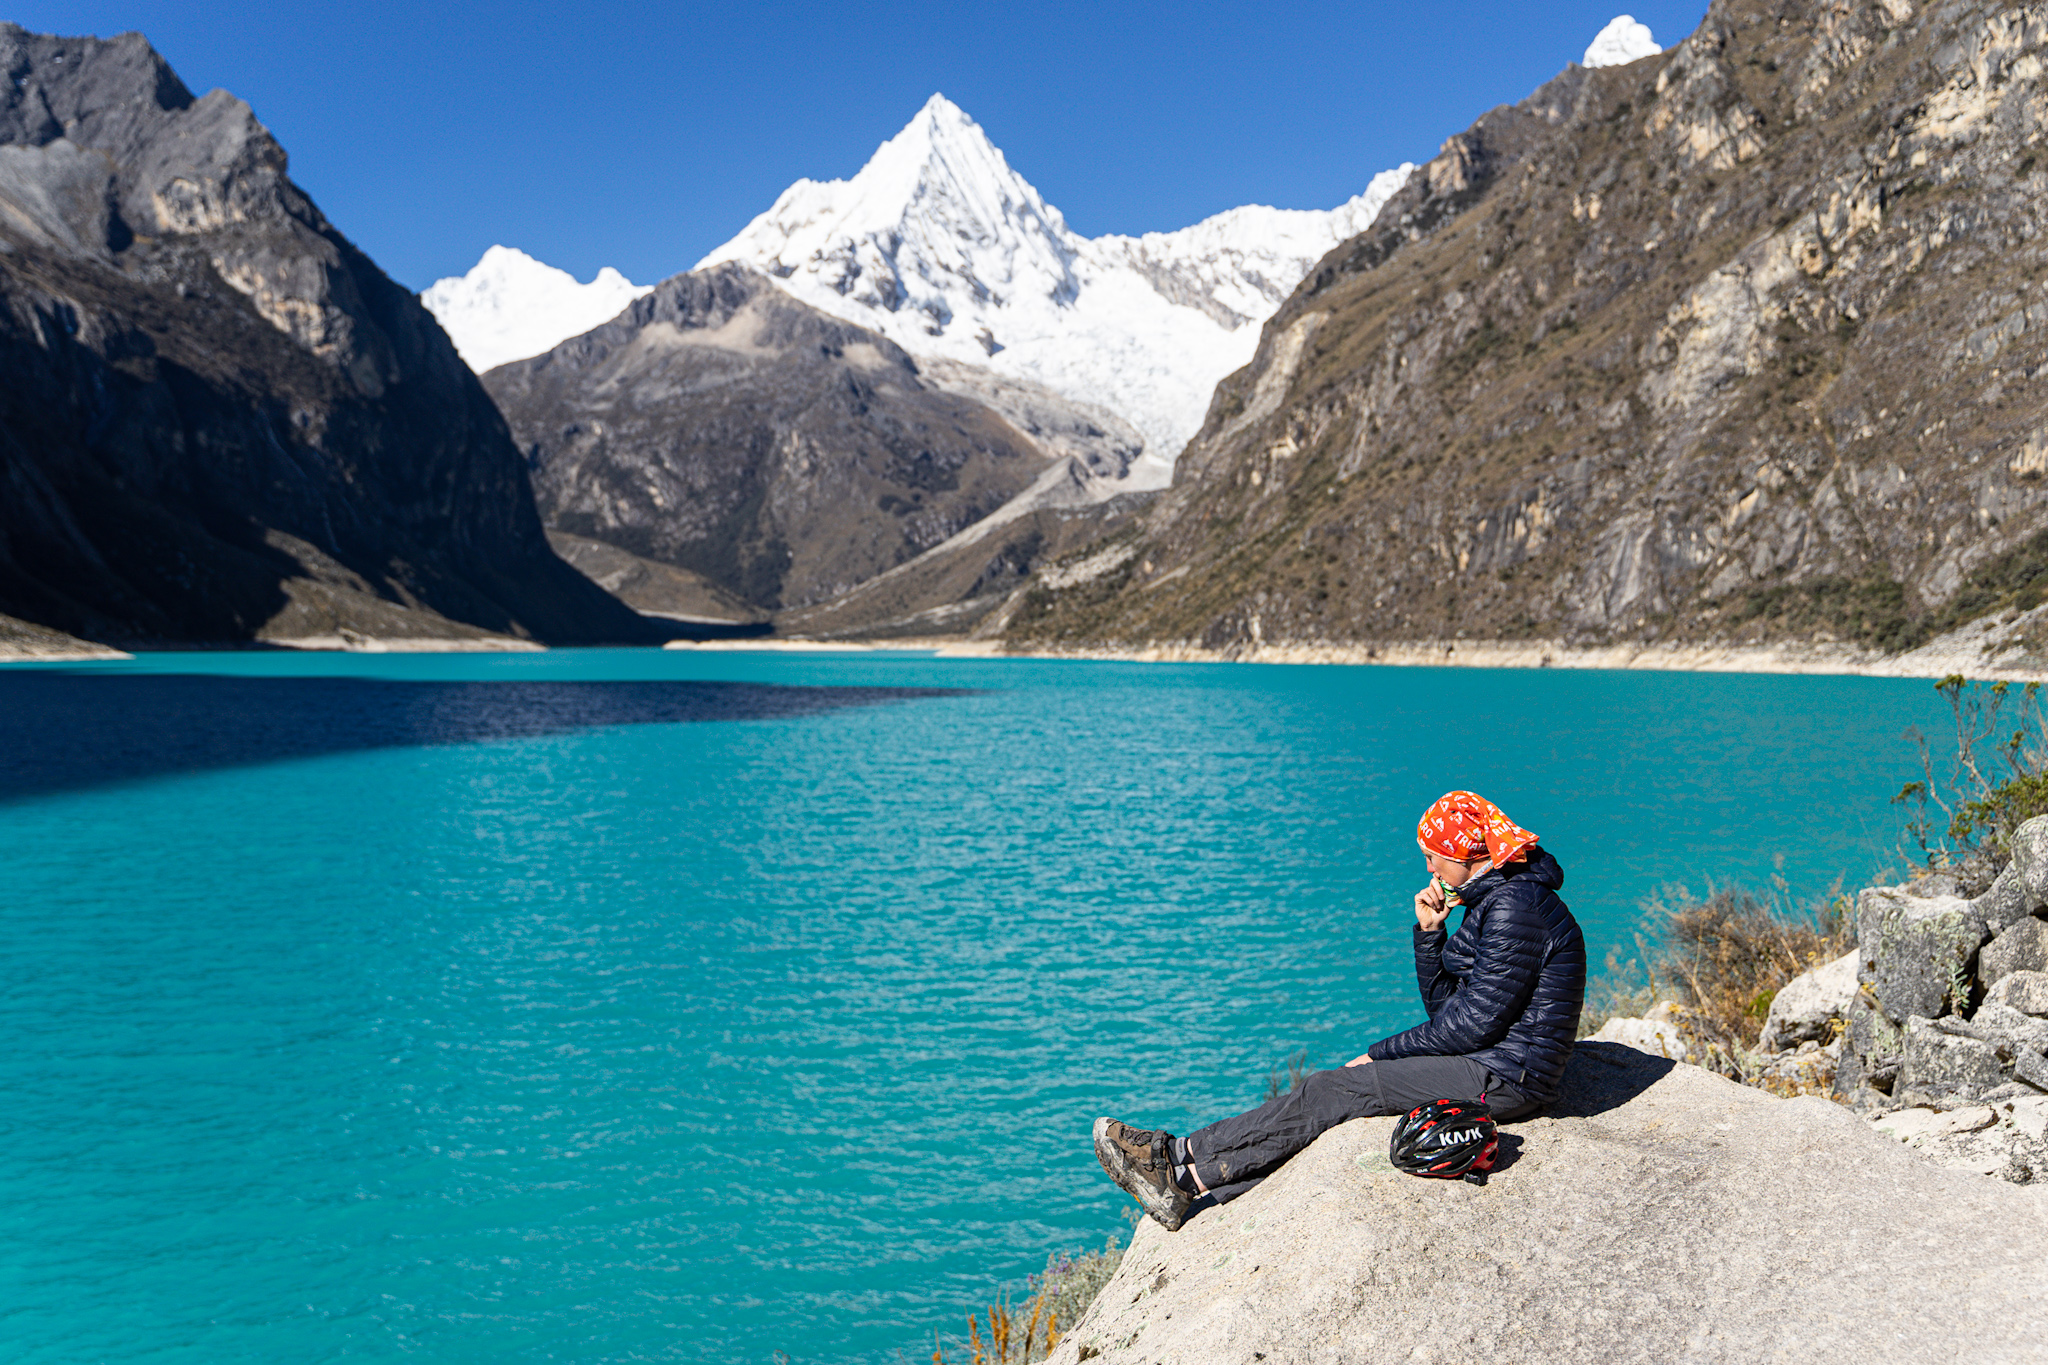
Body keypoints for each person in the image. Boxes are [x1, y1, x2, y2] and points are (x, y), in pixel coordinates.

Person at [1093, 791, 1587, 1231]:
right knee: (1337, 1092)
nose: (1430, 871)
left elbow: (1471, 1024)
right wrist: (1430, 935)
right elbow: (1449, 1012)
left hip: (1510, 1075)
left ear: (1467, 854)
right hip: (1493, 1060)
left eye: (1435, 859)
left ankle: (1176, 1163)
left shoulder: (1514, 907)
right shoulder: (1493, 900)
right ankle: (1198, 1180)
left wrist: (1377, 1055)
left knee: (1336, 1088)